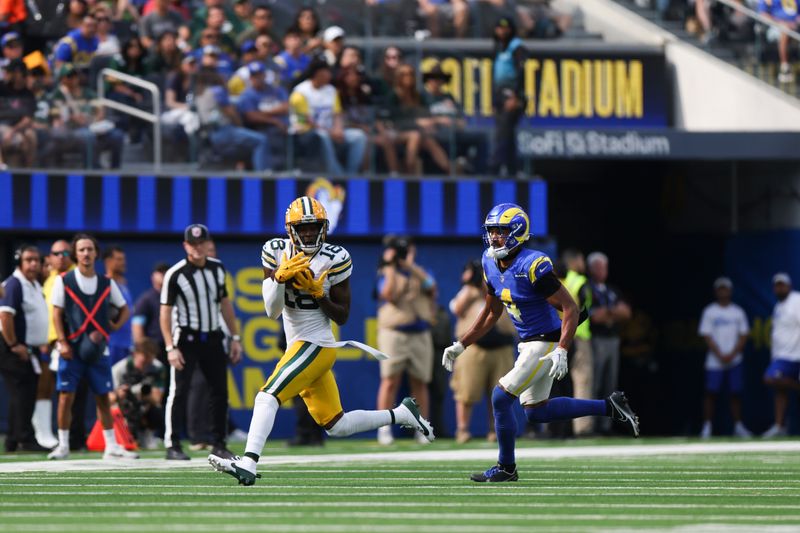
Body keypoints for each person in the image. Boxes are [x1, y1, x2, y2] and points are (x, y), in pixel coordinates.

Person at [208, 196, 433, 485]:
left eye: (314, 228)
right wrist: (278, 278)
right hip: (298, 344)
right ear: (291, 230)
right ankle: (401, 413)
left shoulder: (336, 257)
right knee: (336, 425)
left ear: (323, 228)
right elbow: (271, 311)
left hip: (317, 344)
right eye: (303, 229)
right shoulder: (275, 250)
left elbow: (342, 316)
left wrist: (318, 294)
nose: (309, 234)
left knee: (267, 396)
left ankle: (249, 462)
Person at [441, 204, 639, 482]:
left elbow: (570, 307)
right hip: (528, 343)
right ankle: (610, 406)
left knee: (500, 398)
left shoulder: (532, 265)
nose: (495, 237)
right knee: (536, 412)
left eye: (501, 231)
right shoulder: (489, 261)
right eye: (492, 232)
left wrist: (562, 349)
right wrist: (461, 344)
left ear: (518, 232)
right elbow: (491, 313)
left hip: (544, 343)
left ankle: (506, 467)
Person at [47, 233, 139, 460]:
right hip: (71, 348)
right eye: (81, 250)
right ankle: (63, 445)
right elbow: (57, 313)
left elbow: (125, 309)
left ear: (96, 253)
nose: (86, 254)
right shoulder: (63, 280)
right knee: (65, 397)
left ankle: (111, 446)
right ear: (75, 254)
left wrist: (112, 327)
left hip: (98, 350)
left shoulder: (107, 283)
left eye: (90, 249)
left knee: (103, 396)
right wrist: (62, 342)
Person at [160, 223, 242, 460]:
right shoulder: (175, 273)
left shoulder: (217, 268)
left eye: (201, 243)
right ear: (186, 245)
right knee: (179, 391)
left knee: (220, 391)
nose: (197, 248)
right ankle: (173, 444)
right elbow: (165, 312)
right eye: (192, 244)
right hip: (186, 338)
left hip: (213, 335)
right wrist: (170, 347)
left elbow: (225, 304)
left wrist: (234, 337)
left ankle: (219, 443)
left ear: (208, 244)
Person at [375, 235, 437, 445]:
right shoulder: (385, 272)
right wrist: (391, 266)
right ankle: (383, 429)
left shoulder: (421, 272)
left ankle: (421, 428)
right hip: (394, 333)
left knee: (420, 382)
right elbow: (388, 294)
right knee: (390, 380)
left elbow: (431, 287)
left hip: (420, 332)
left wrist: (410, 267)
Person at [449, 259, 515, 443]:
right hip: (473, 348)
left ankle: (495, 431)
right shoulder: (467, 291)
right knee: (466, 391)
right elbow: (457, 308)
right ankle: (462, 430)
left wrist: (489, 285)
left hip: (501, 347)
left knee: (500, 393)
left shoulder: (502, 284)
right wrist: (473, 288)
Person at [0, 245, 51, 452]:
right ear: (19, 262)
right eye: (29, 259)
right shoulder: (14, 284)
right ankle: (25, 438)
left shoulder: (34, 285)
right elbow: (5, 316)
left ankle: (13, 439)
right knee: (23, 392)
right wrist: (14, 344)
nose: (33, 264)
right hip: (13, 347)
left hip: (29, 348)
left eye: (36, 260)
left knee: (23, 392)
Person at [289, 59, 367, 175]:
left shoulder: (331, 90)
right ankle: (338, 175)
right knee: (323, 136)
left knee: (358, 136)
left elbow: (337, 114)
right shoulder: (300, 93)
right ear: (318, 74)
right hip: (305, 134)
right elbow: (307, 121)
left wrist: (338, 129)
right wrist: (331, 132)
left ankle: (351, 174)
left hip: (330, 131)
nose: (330, 75)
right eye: (327, 72)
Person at [698, 277, 751, 438]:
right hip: (715, 361)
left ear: (730, 291)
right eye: (720, 289)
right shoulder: (709, 311)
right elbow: (706, 335)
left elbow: (743, 335)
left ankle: (738, 426)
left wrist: (732, 354)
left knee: (736, 393)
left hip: (734, 360)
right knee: (710, 393)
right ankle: (707, 427)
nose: (723, 292)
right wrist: (720, 354)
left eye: (725, 289)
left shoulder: (738, 312)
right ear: (716, 291)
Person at [587, 251, 631, 434]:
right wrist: (613, 313)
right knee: (594, 383)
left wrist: (608, 312)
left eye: (604, 266)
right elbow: (594, 317)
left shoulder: (612, 290)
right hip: (596, 340)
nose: (602, 270)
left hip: (613, 340)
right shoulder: (587, 288)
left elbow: (627, 313)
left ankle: (605, 426)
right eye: (598, 266)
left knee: (609, 384)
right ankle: (591, 425)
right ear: (590, 269)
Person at [39, 240, 74, 450]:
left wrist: (62, 339)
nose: (61, 256)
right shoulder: (49, 279)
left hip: (67, 342)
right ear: (50, 258)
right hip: (49, 343)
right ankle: (44, 434)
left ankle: (68, 440)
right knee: (46, 388)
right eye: (56, 253)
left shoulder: (74, 276)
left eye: (65, 252)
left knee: (68, 392)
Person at [763, 273, 800, 437]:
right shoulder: (778, 306)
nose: (780, 288)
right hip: (782, 357)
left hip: (796, 355)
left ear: (789, 286)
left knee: (772, 380)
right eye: (777, 285)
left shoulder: (797, 301)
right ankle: (779, 427)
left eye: (782, 285)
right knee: (778, 387)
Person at [111, 338, 165, 449]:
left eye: (149, 361)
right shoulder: (120, 369)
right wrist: (119, 394)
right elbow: (108, 399)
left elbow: (157, 399)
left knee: (157, 411)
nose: (146, 365)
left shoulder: (157, 367)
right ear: (135, 354)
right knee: (117, 409)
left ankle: (147, 433)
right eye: (144, 360)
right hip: (124, 407)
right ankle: (123, 434)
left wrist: (141, 393)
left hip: (145, 405)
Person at [562, 248, 594, 436]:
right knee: (582, 380)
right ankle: (582, 427)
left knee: (558, 384)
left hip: (559, 334)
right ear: (574, 261)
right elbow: (586, 308)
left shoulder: (558, 281)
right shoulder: (580, 281)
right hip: (580, 335)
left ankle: (558, 427)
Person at [490, 17, 526, 176]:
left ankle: (497, 165)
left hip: (512, 93)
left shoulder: (516, 46)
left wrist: (516, 96)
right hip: (500, 93)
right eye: (499, 28)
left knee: (504, 130)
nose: (502, 31)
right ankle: (512, 167)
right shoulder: (498, 46)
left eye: (505, 28)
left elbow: (522, 72)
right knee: (506, 131)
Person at [103, 246, 133, 366]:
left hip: (126, 344)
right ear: (108, 261)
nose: (123, 262)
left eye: (123, 259)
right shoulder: (105, 284)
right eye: (119, 259)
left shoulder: (123, 283)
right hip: (112, 344)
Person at [132, 263, 169, 357]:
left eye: (166, 272)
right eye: (160, 272)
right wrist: (142, 350)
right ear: (152, 277)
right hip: (154, 349)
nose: (163, 275)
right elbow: (137, 326)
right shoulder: (146, 299)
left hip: (172, 346)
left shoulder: (174, 298)